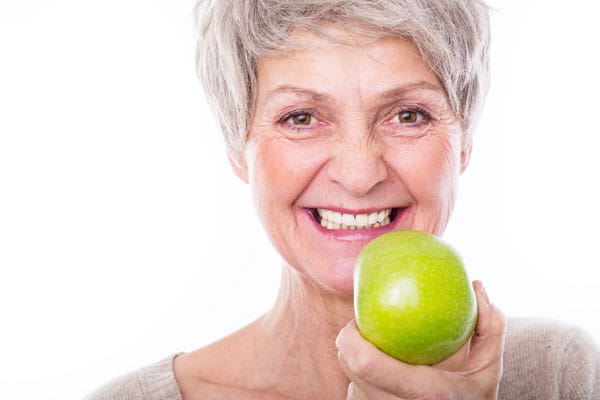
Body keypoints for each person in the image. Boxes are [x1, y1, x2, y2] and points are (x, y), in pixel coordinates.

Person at [86, 0, 600, 399]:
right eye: (301, 118)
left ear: (464, 141)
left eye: (408, 115)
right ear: (236, 147)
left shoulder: (558, 375)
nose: (358, 176)